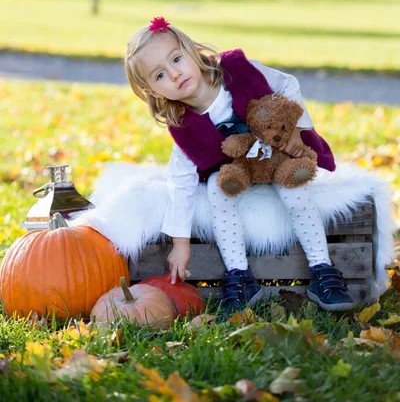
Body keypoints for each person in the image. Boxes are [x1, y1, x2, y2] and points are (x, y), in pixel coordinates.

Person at [124, 17, 355, 314]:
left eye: (177, 59)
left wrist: (296, 130)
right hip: (238, 174)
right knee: (216, 190)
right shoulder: (184, 127)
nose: (175, 73)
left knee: (293, 190)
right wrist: (180, 243)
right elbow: (180, 184)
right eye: (160, 75)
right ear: (154, 92)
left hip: (277, 157)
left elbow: (287, 84)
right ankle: (240, 277)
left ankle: (323, 270)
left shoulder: (238, 70)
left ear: (192, 51)